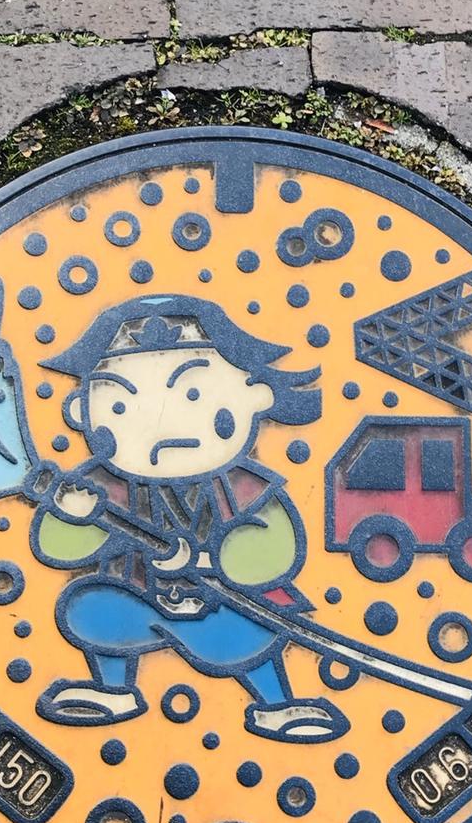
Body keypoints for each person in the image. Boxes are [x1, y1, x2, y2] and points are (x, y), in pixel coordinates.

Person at [27, 294, 349, 743]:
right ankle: (114, 690)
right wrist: (73, 517)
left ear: (254, 395)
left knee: (255, 629)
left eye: (194, 394)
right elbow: (55, 547)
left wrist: (212, 558)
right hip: (137, 603)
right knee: (89, 605)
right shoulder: (102, 486)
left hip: (225, 611)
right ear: (83, 413)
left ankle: (276, 705)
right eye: (120, 407)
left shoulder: (245, 486)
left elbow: (277, 545)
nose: (163, 429)